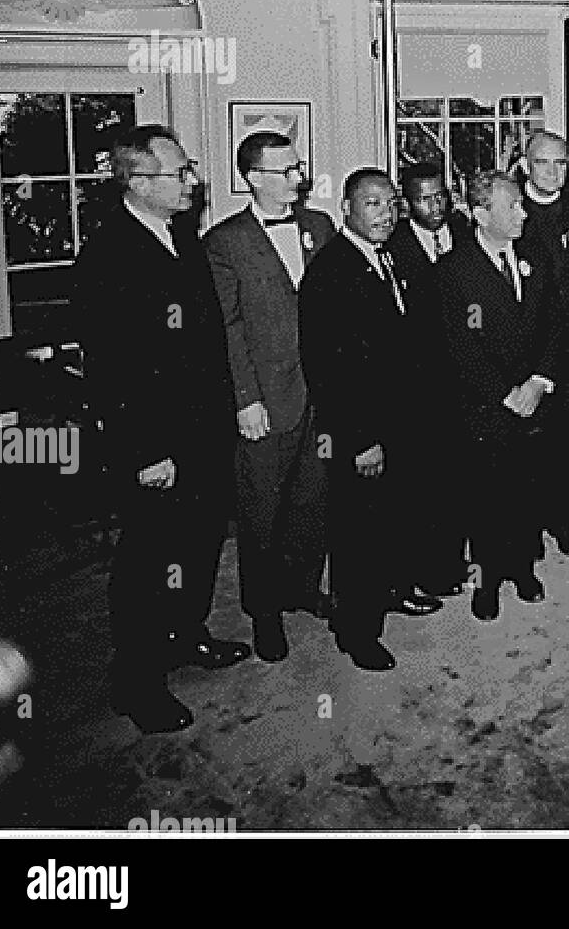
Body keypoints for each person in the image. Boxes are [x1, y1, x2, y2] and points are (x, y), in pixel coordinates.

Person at [74, 125, 247, 734]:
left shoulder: (179, 236)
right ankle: (137, 682)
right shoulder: (108, 254)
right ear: (138, 182)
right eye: (181, 173)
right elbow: (111, 367)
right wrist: (146, 451)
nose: (192, 182)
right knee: (148, 559)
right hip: (154, 445)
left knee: (199, 543)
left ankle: (186, 635)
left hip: (202, 432)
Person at [299, 169, 442, 672]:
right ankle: (355, 630)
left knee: (394, 519)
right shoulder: (330, 272)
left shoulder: (390, 258)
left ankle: (394, 591)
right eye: (372, 203)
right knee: (358, 534)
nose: (385, 213)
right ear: (347, 209)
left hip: (401, 421)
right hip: (362, 431)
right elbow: (329, 370)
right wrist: (361, 440)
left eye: (390, 203)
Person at [203, 132, 335, 664]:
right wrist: (245, 399)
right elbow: (228, 329)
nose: (299, 178)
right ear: (254, 178)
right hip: (265, 400)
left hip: (321, 393)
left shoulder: (319, 227)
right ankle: (264, 612)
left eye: (299, 167)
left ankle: (301, 588)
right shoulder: (225, 242)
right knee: (262, 513)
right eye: (287, 170)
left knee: (313, 503)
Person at [438, 170, 569, 621]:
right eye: (511, 206)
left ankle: (522, 569)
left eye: (520, 204)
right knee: (487, 497)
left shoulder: (536, 256)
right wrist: (504, 393)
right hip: (485, 409)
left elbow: (556, 324)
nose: (522, 213)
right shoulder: (455, 271)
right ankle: (489, 578)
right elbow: (460, 347)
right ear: (480, 214)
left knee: (528, 488)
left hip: (534, 400)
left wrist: (538, 382)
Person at [384, 161, 471, 595]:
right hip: (419, 384)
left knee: (460, 477)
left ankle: (452, 564)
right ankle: (421, 569)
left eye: (440, 196)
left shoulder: (465, 230)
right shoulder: (393, 245)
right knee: (422, 484)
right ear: (406, 204)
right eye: (423, 198)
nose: (434, 206)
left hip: (466, 379)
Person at [518, 131, 569, 557]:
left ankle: (560, 519)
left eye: (561, 163)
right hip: (527, 358)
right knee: (528, 445)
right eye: (544, 163)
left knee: (567, 444)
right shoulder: (512, 211)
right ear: (527, 165)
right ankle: (527, 526)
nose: (554, 172)